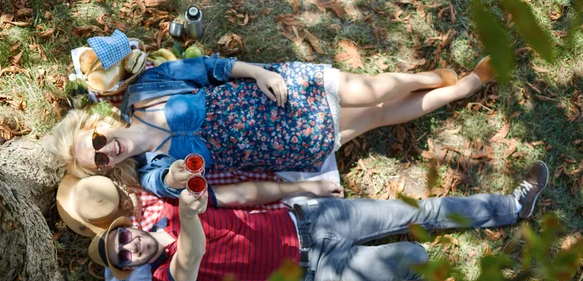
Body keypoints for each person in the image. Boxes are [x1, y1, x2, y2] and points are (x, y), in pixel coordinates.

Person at [84, 161, 548, 281]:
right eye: (123, 255)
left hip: (310, 220)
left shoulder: (166, 207)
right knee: (413, 260)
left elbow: (165, 178)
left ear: (130, 228)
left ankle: (510, 207)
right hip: (315, 270)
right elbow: (190, 258)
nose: (129, 247)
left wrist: (176, 187)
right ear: (132, 265)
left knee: (416, 210)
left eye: (122, 238)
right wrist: (188, 218)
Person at [48, 55, 496, 198]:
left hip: (275, 93)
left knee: (369, 89)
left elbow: (210, 66)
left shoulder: (144, 91)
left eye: (99, 143)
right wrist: (176, 178)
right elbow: (179, 188)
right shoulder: (150, 174)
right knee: (377, 115)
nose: (110, 152)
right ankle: (463, 88)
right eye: (102, 162)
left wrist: (259, 72)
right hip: (284, 142)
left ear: (98, 123)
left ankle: (427, 79)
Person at [56, 173, 343, 237]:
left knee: (228, 195)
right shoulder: (139, 228)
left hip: (210, 194)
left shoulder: (136, 174)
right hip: (208, 221)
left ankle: (303, 189)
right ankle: (303, 190)